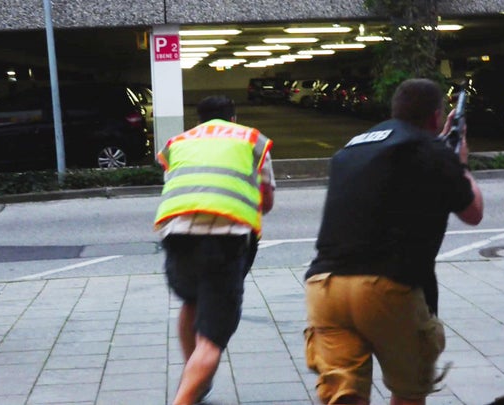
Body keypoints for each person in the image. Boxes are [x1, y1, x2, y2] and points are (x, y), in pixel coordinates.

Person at [303, 78, 484, 405]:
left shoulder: (354, 146)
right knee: (409, 391)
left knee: (344, 396)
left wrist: (441, 150)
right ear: (434, 117)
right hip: (387, 288)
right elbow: (473, 212)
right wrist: (460, 161)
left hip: (324, 287)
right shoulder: (433, 152)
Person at [154, 95, 275, 405]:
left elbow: (177, 185)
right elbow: (267, 201)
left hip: (176, 235)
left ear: (199, 121)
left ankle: (193, 380)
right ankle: (187, 392)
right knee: (212, 339)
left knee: (191, 301)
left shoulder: (179, 141)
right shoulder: (250, 139)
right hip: (225, 239)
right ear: (233, 119)